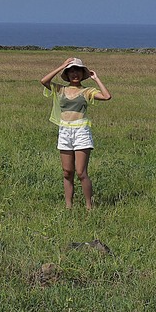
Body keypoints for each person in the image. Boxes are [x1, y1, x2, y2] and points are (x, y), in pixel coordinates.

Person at [40, 57, 111, 210]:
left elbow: (106, 96)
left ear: (82, 73)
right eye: (71, 71)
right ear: (67, 73)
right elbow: (43, 81)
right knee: (67, 172)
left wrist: (96, 79)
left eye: (77, 70)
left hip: (81, 132)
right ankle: (68, 207)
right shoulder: (61, 89)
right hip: (64, 131)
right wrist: (62, 66)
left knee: (81, 172)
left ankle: (89, 206)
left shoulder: (87, 91)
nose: (74, 74)